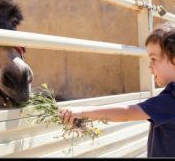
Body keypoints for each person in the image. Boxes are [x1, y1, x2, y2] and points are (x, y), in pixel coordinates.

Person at [59, 21, 175, 158]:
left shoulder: (171, 99)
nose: (149, 66)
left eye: (154, 59)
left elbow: (127, 113)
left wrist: (82, 111)